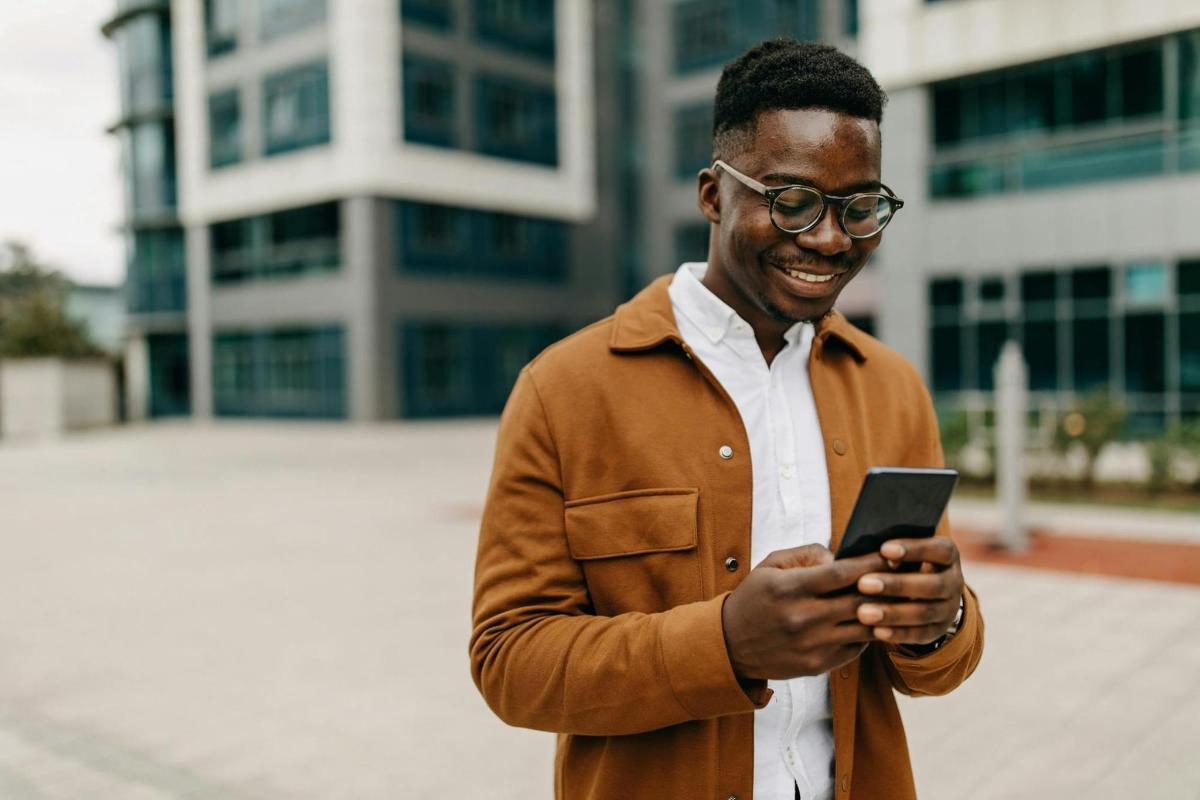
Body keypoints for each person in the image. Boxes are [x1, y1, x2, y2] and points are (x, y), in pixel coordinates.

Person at [470, 39, 983, 800]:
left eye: (861, 207)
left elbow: (937, 669)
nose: (831, 239)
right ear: (713, 195)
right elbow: (510, 664)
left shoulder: (893, 388)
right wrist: (725, 645)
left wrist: (941, 622)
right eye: (793, 201)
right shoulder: (564, 390)